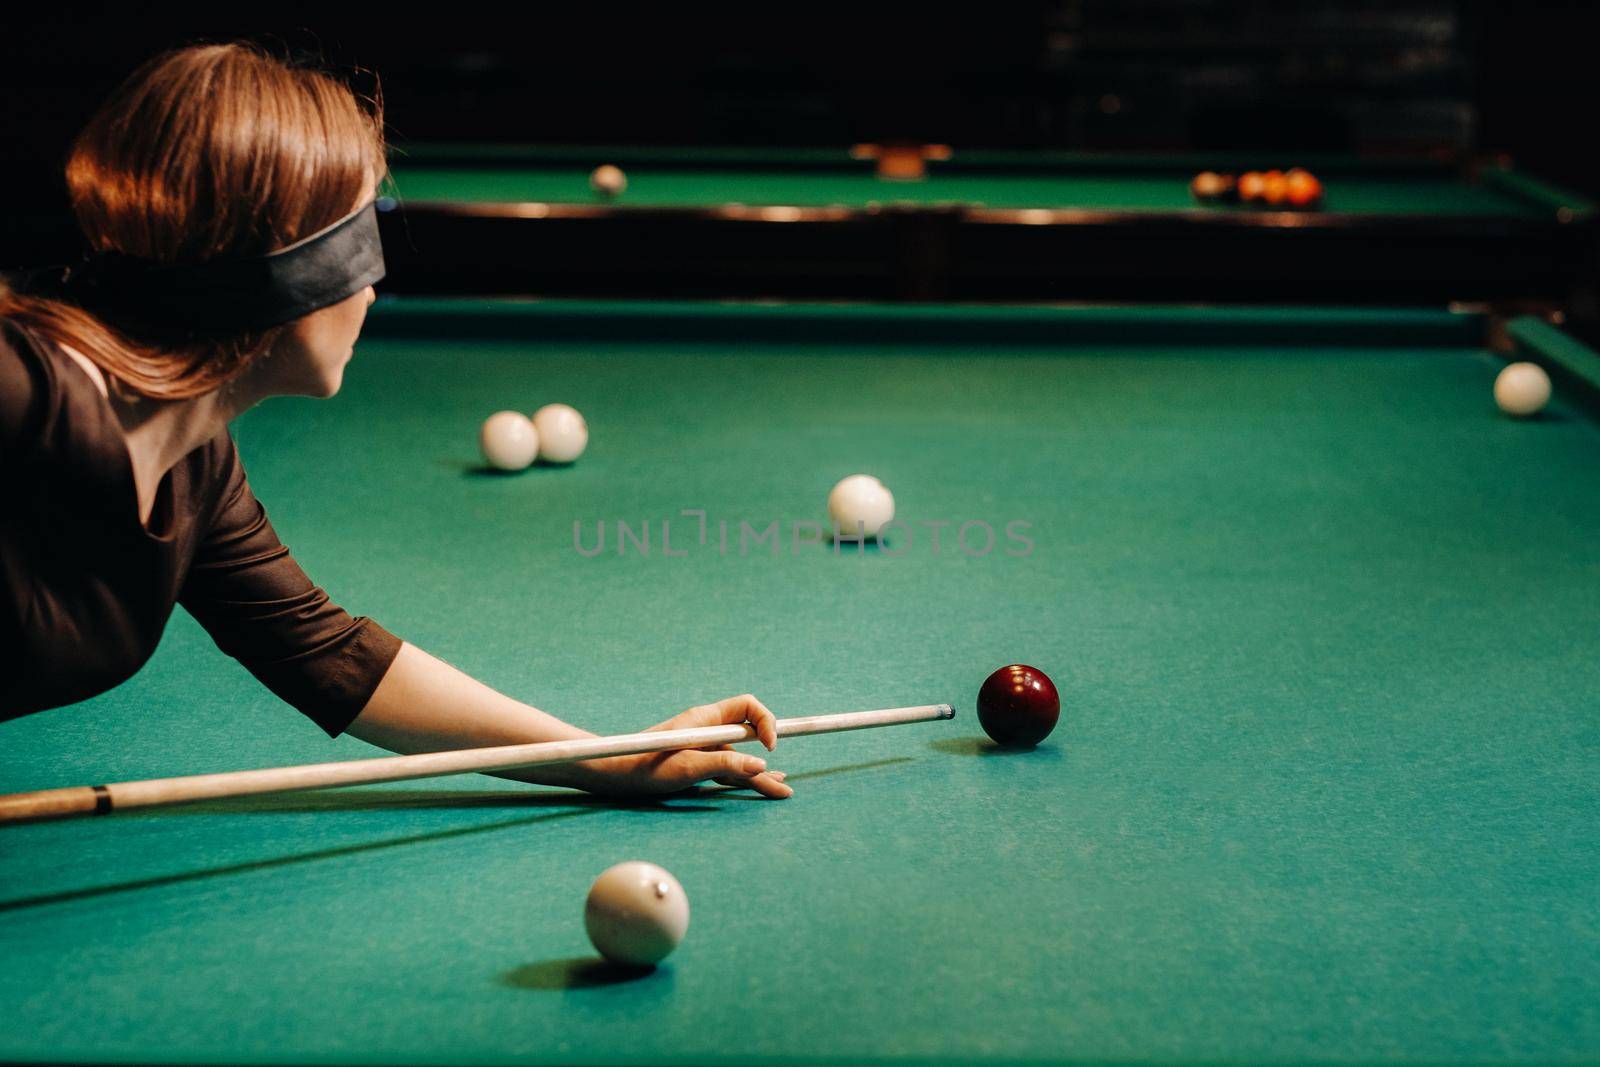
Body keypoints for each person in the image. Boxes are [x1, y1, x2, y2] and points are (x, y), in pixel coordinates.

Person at [0, 42, 792, 800]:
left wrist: (607, 759)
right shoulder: (28, 393)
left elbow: (332, 655)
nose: (372, 291)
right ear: (283, 274)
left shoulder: (195, 465)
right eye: (360, 241)